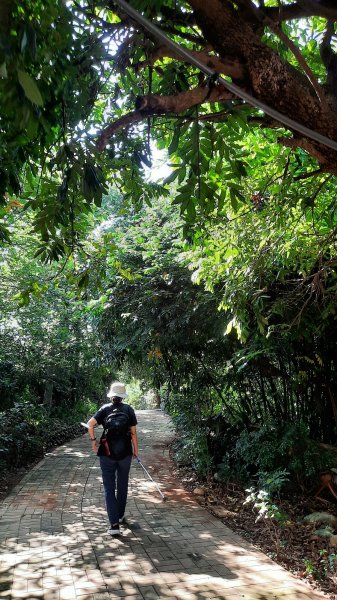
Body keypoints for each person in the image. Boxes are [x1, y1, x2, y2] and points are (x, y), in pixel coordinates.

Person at [87, 381, 138, 536]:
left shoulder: (104, 409)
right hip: (125, 454)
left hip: (106, 453)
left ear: (111, 395)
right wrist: (136, 450)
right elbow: (134, 433)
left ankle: (114, 525)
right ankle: (120, 515)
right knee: (122, 484)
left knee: (109, 487)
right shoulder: (129, 409)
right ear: (123, 397)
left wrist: (93, 441)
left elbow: (90, 425)